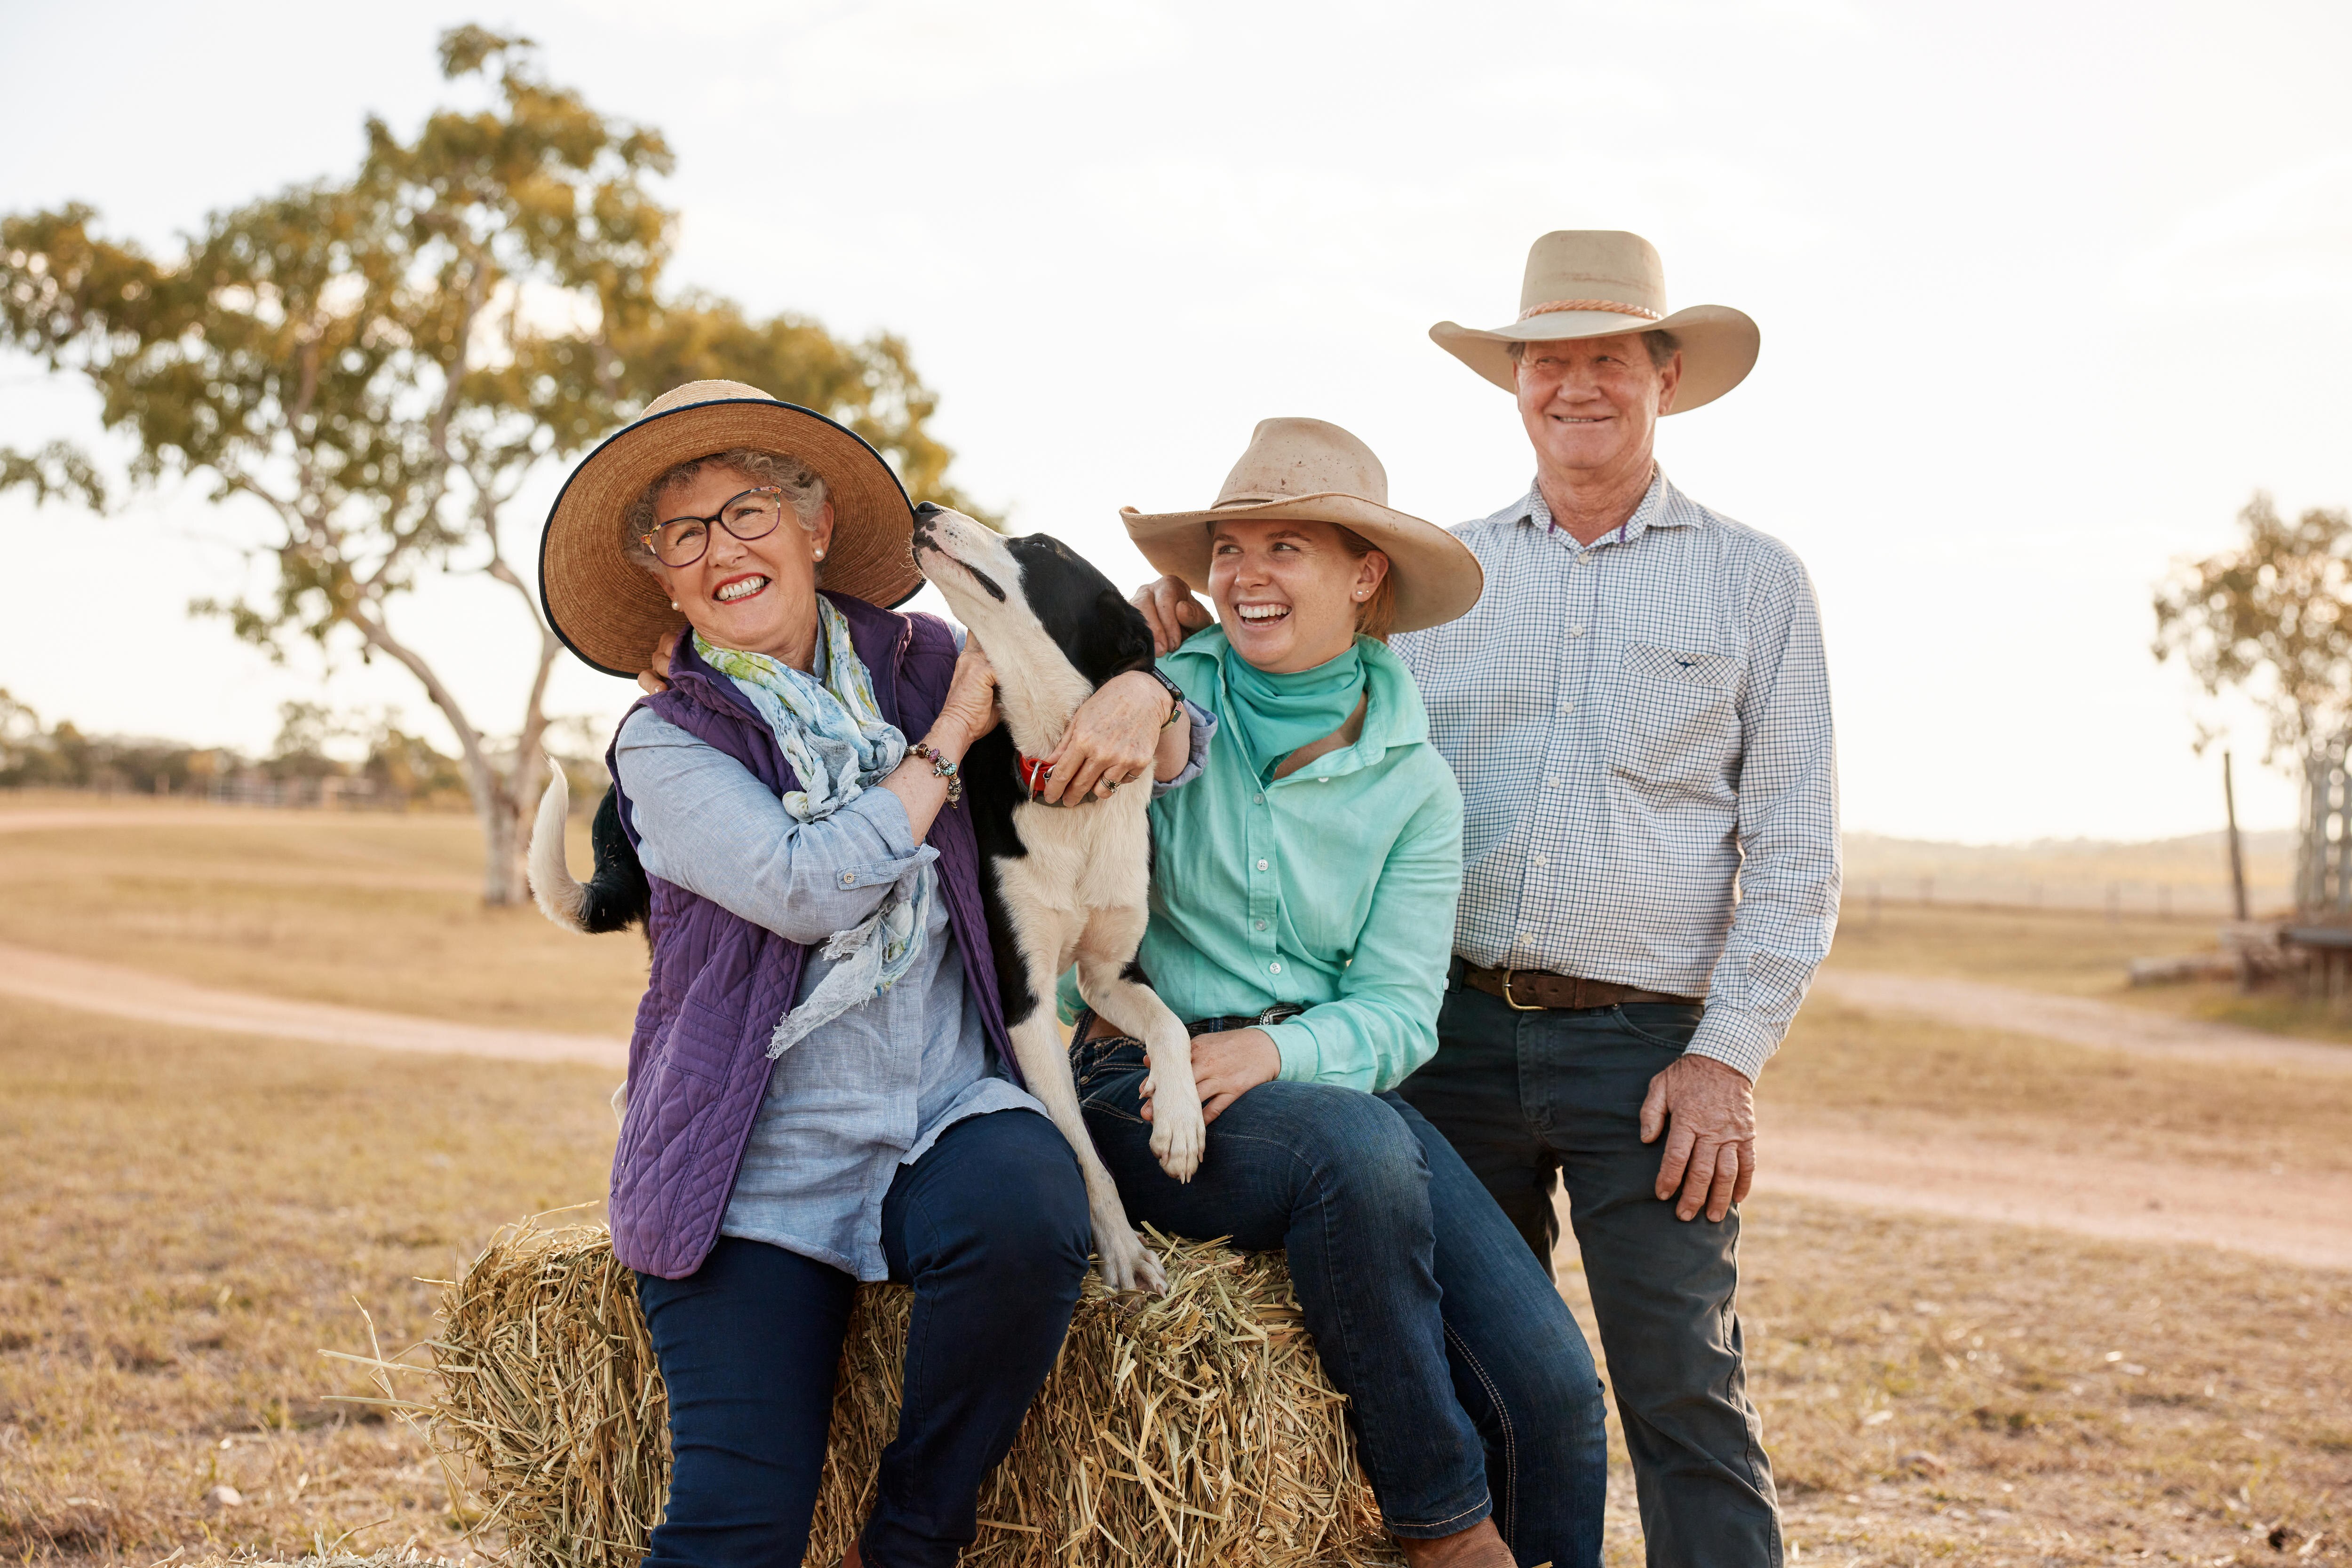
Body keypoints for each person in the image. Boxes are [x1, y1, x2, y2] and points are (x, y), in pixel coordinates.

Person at [1136, 235, 1842, 1565]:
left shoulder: (1757, 582)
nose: (1576, 386)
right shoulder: (1423, 583)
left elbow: (1797, 853)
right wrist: (1168, 644)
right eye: (1547, 361)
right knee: (1492, 1377)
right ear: (1516, 382)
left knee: (1683, 1386)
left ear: (1666, 375)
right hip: (1440, 1031)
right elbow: (1290, 670)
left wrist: (1727, 1059)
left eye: (1608, 360)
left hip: (1650, 1050)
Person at [536, 379, 1205, 1568]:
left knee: (1031, 1218)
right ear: (664, 576)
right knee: (737, 1530)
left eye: (747, 512)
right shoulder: (666, 739)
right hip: (755, 1159)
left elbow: (1120, 715)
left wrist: (1153, 689)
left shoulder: (921, 653)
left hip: (944, 1111)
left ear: (815, 528)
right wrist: (948, 739)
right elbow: (808, 886)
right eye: (685, 535)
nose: (722, 551)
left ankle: (908, 1540)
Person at [1069, 419, 1610, 1568]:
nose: (1246, 576)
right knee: (1349, 1153)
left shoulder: (1415, 781)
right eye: (1227, 548)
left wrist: (1278, 1056)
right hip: (1138, 1075)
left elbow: (1402, 1007)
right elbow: (1022, 690)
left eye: (1285, 548)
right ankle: (1442, 1529)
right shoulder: (1154, 694)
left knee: (1557, 1395)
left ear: (1366, 576)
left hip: (1315, 1088)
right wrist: (1125, 676)